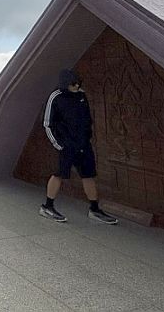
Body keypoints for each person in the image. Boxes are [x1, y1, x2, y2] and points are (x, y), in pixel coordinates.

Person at [39, 69, 118, 224]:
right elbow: (47, 124)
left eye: (78, 83)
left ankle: (94, 209)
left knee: (88, 175)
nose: (76, 86)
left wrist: (87, 136)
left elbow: (87, 118)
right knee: (59, 174)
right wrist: (59, 144)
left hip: (83, 144)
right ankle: (47, 206)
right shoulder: (56, 97)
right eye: (73, 84)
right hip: (65, 145)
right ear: (65, 83)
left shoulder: (81, 95)